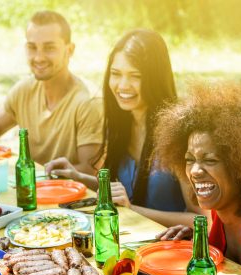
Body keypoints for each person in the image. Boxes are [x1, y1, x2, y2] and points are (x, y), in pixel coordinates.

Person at [45, 29, 206, 227]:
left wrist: (132, 209)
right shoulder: (121, 122)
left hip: (169, 250)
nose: (122, 85)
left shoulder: (179, 132)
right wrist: (78, 178)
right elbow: (120, 193)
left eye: (134, 76)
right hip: (130, 240)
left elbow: (201, 220)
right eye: (116, 74)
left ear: (154, 79)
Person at [0, 10, 103, 174]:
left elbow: (90, 171)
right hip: (32, 190)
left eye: (49, 48)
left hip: (74, 197)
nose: (39, 57)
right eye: (32, 47)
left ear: (70, 50)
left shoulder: (88, 102)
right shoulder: (24, 89)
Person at [154, 81, 241, 270]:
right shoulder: (218, 214)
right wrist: (199, 240)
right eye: (189, 160)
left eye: (210, 160)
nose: (195, 171)